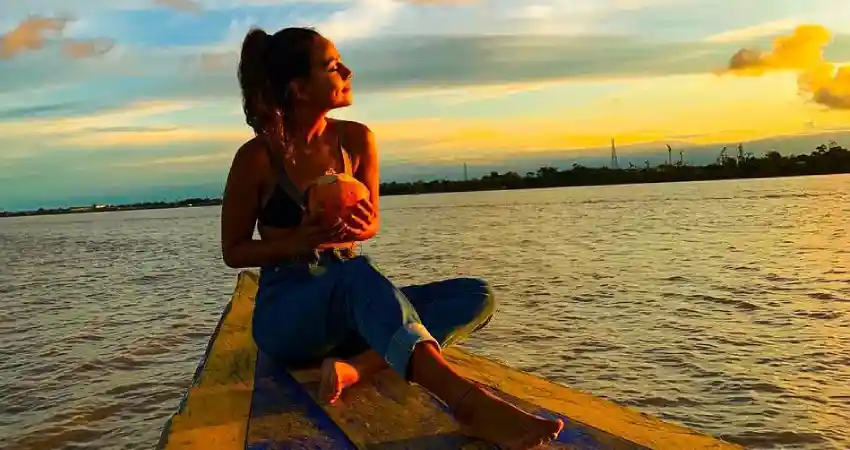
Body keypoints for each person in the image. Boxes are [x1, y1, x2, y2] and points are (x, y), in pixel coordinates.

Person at [219, 26, 564, 450]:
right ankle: (467, 402)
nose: (347, 71)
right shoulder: (257, 158)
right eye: (332, 66)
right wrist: (300, 242)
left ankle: (358, 368)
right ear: (298, 88)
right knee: (355, 277)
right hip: (289, 311)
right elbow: (233, 251)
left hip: (349, 299)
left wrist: (357, 226)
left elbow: (371, 224)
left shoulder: (357, 140)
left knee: (476, 295)